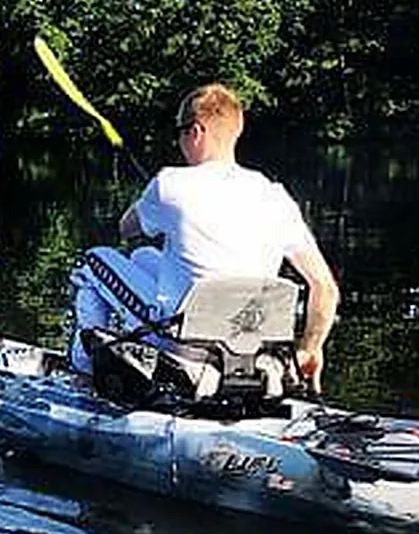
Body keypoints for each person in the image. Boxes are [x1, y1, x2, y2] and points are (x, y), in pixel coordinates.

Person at [69, 83, 340, 392]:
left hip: (183, 347)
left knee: (92, 262)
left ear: (196, 131)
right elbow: (326, 289)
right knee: (142, 257)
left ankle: (84, 372)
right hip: (253, 353)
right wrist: (309, 348)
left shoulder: (169, 184)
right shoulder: (276, 197)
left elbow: (125, 228)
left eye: (180, 131)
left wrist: (147, 198)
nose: (179, 140)